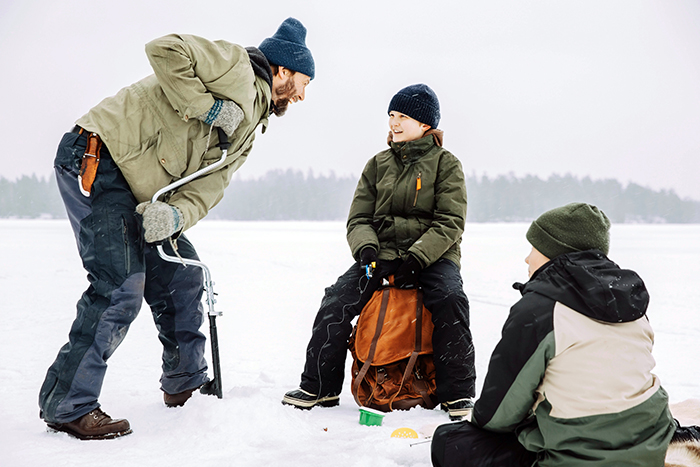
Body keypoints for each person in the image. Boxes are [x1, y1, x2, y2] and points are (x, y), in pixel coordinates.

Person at [39, 17, 315, 440]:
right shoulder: (236, 65)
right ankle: (68, 404)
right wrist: (207, 106)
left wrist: (176, 216)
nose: (301, 94)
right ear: (281, 70)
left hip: (139, 192)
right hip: (98, 156)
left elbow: (210, 185)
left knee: (183, 273)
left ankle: (185, 385)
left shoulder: (252, 125)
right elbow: (165, 48)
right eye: (303, 82)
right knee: (121, 284)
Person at [282, 84, 476, 420]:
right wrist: (366, 249)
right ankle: (320, 387)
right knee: (336, 301)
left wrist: (418, 258)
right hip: (380, 253)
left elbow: (449, 222)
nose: (394, 123)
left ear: (426, 125)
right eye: (391, 115)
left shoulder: (446, 164)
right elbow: (359, 218)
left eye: (403, 116)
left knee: (450, 299)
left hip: (434, 256)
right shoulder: (377, 164)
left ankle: (457, 394)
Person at [431, 203, 676, 466]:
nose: (527, 259)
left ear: (554, 253)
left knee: (450, 443)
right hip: (653, 442)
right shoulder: (631, 301)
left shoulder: (539, 310)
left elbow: (496, 416)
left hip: (580, 455)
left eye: (534, 248)